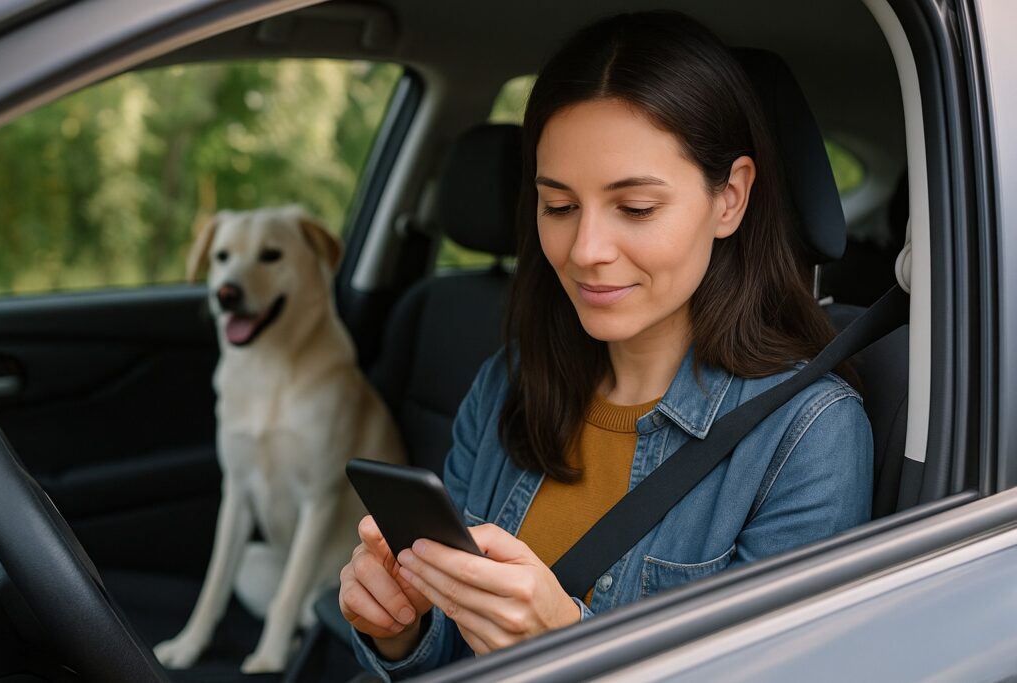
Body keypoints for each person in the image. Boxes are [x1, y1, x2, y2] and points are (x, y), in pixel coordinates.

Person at [339, 10, 873, 679]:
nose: (585, 251)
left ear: (730, 198)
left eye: (636, 208)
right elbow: (449, 656)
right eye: (559, 207)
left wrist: (567, 640)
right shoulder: (507, 384)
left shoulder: (807, 435)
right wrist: (402, 629)